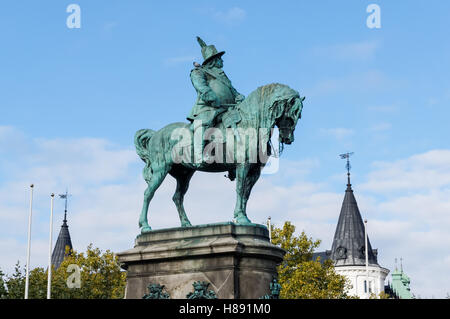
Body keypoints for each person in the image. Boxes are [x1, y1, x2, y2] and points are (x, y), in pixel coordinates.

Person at [188, 37, 245, 165]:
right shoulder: (198, 72)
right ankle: (198, 156)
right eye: (219, 58)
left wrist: (240, 97)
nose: (222, 60)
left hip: (227, 108)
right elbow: (202, 88)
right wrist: (213, 99)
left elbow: (233, 91)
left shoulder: (222, 75)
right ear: (214, 61)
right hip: (208, 108)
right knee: (203, 123)